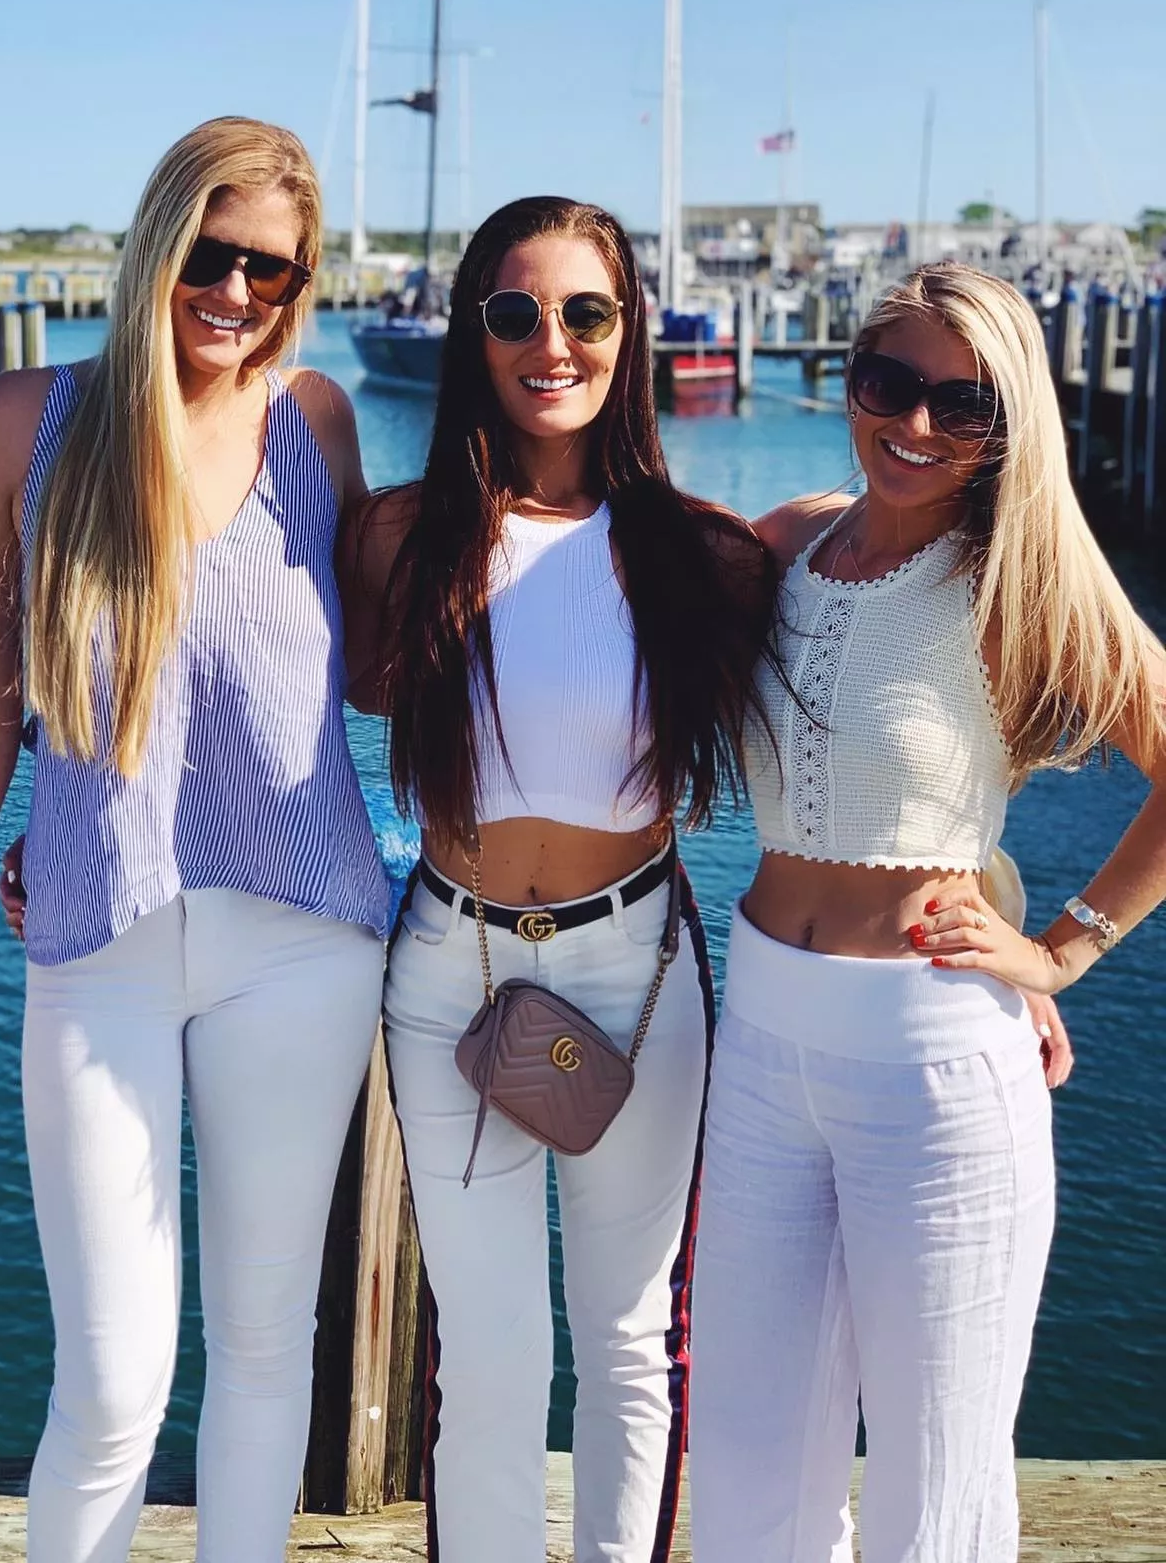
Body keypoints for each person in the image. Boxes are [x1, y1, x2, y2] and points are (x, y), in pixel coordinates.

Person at [0, 117, 391, 1563]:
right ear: (154, 241)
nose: (233, 288)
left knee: (264, 1350)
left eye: (268, 264)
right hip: (93, 934)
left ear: (301, 279)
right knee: (114, 1380)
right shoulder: (21, 421)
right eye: (207, 248)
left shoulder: (315, 423)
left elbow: (376, 666)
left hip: (304, 939)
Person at [688, 262, 1165, 1562]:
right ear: (849, 379)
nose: (914, 425)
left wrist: (1062, 949)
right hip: (763, 1039)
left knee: (933, 1493)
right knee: (742, 1473)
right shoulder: (788, 541)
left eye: (963, 405)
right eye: (889, 383)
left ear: (1009, 428)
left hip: (934, 1062)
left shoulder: (1014, 580)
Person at [341, 196, 777, 1563]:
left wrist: (1010, 916)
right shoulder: (402, 537)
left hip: (635, 968)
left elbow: (856, 735)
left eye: (586, 311)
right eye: (517, 311)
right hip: (446, 973)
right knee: (489, 1353)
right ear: (474, 332)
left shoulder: (708, 555)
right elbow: (260, 704)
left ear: (628, 329)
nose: (553, 342)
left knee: (630, 1340)